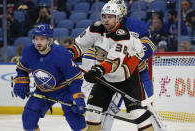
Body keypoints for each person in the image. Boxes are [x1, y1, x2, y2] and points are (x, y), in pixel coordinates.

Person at [69, 0, 155, 130]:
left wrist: (98, 70)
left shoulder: (123, 34)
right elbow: (79, 45)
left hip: (127, 77)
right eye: (104, 16)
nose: (106, 20)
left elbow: (114, 61)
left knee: (139, 114)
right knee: (92, 113)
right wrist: (66, 55)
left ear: (119, 17)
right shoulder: (96, 28)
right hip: (105, 76)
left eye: (110, 17)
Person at [13, 24, 87, 131]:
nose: (38, 42)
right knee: (28, 117)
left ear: (50, 40)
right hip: (43, 91)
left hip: (64, 90)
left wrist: (77, 97)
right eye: (36, 38)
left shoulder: (62, 54)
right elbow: (22, 69)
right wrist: (21, 81)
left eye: (42, 39)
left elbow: (75, 79)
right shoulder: (28, 51)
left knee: (75, 119)